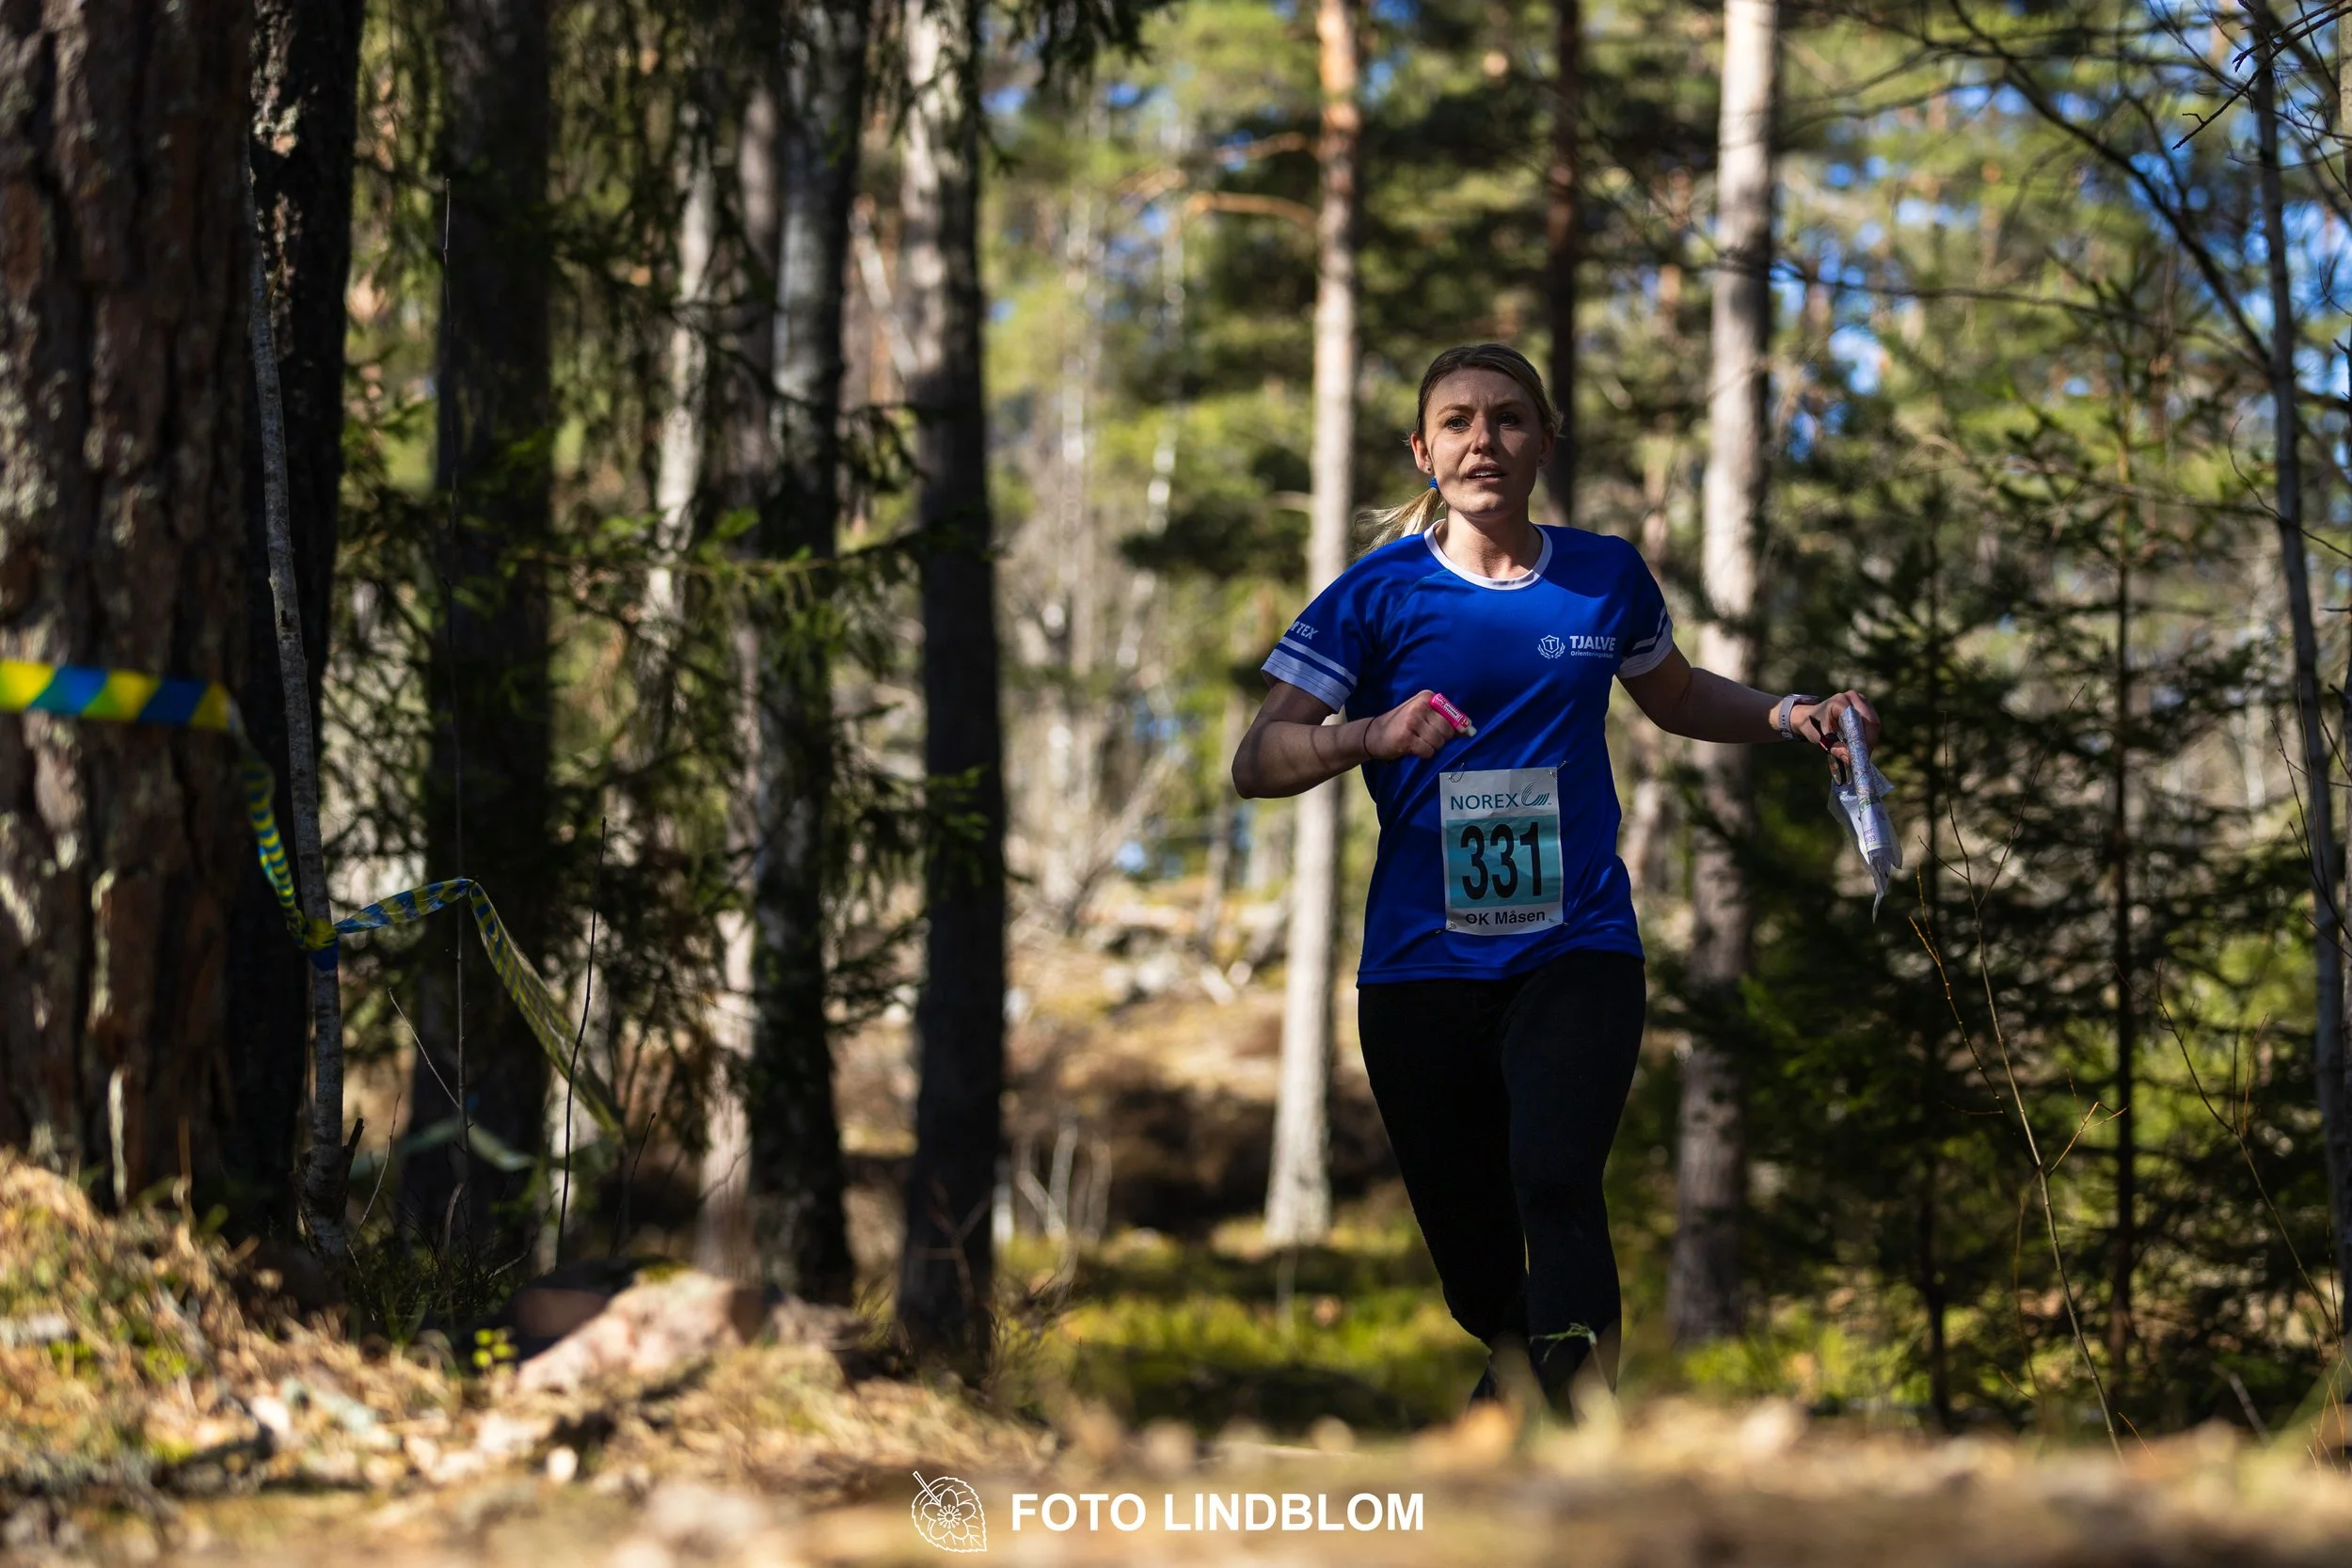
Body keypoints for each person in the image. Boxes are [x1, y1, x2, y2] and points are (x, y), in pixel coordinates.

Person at [1230, 341, 1880, 1413]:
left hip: (1573, 945)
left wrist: (1785, 712)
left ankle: (1568, 1421)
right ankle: (1525, 1381)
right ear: (1424, 451)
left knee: (1555, 1173)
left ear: (1544, 439)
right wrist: (1369, 734)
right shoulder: (1373, 595)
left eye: (1508, 418)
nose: (1482, 439)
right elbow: (1258, 761)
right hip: (1417, 968)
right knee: (1476, 1260)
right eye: (1456, 421)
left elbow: (1671, 696)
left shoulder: (1603, 575)